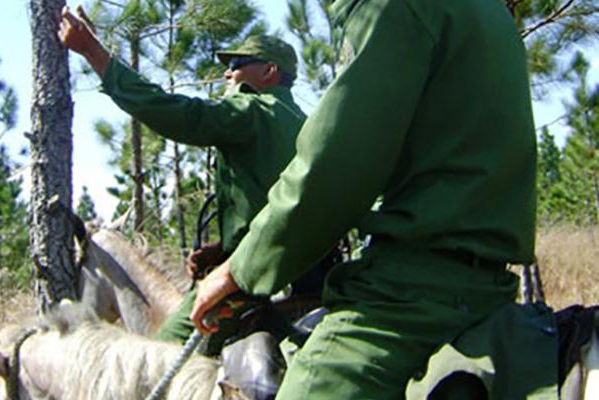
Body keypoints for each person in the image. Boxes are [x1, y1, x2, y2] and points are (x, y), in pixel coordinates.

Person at [190, 0, 558, 398]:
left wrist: (239, 271)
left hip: (412, 294)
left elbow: (335, 168)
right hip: (487, 284)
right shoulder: (490, 11)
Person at [58, 6, 327, 355]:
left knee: (157, 358)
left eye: (237, 65)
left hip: (257, 278)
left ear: (269, 71)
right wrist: (225, 247)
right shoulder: (304, 122)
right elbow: (279, 203)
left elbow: (175, 112)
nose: (227, 73)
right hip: (311, 273)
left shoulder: (253, 111)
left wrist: (93, 52)